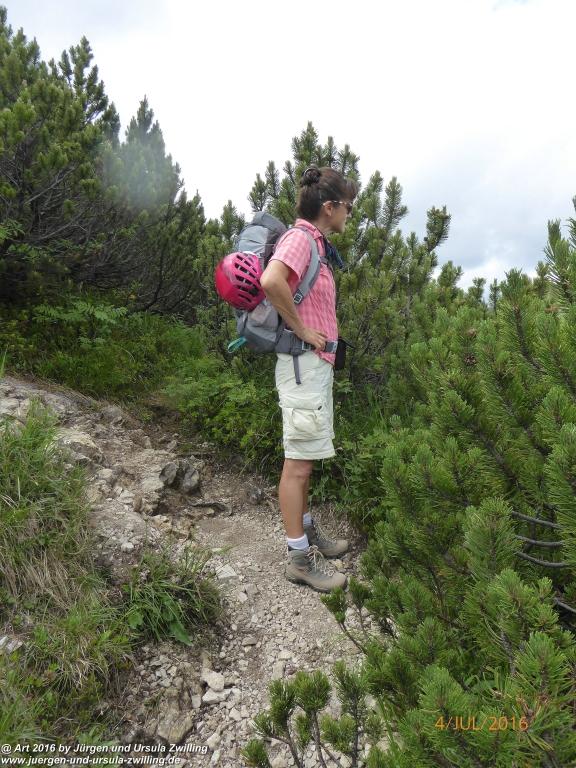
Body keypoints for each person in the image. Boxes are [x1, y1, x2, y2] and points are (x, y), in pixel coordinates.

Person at [259, 165, 358, 592]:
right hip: (302, 365)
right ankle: (299, 558)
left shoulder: (314, 242)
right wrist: (301, 329)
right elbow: (270, 280)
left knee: (306, 458)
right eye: (348, 208)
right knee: (297, 465)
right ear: (330, 207)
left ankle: (307, 530)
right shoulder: (301, 239)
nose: (349, 215)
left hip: (311, 368)